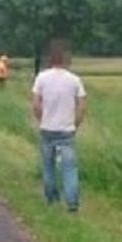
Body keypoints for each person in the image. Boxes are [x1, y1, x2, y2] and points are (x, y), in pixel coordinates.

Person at [32, 40, 87, 213]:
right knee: (69, 168)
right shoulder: (75, 80)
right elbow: (82, 105)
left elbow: (35, 104)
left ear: (51, 59)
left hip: (47, 128)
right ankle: (72, 204)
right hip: (67, 130)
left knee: (48, 166)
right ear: (66, 59)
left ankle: (51, 199)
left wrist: (42, 119)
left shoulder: (41, 77)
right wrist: (75, 123)